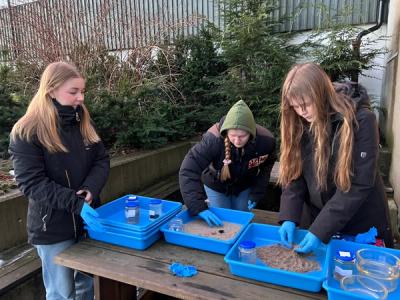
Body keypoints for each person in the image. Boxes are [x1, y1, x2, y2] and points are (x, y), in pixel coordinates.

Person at [9, 61, 110, 300]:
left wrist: (90, 189)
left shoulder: (82, 120)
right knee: (61, 293)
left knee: (87, 285)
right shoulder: (26, 131)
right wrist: (75, 204)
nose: (81, 98)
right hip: (51, 227)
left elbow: (102, 160)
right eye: (73, 92)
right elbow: (31, 183)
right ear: (51, 90)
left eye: (82, 91)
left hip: (87, 222)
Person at [277, 62, 393, 254]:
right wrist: (289, 215)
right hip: (317, 218)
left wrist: (320, 230)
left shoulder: (362, 120)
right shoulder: (301, 121)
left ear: (321, 94)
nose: (301, 111)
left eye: (305, 104)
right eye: (295, 106)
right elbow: (295, 172)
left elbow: (359, 183)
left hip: (360, 223)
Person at [179, 100, 276, 226]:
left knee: (241, 218)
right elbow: (188, 170)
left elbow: (266, 167)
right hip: (215, 183)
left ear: (251, 133)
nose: (237, 140)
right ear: (226, 132)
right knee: (222, 220)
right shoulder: (212, 140)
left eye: (242, 136)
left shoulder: (266, 141)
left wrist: (257, 192)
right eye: (233, 135)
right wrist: (198, 206)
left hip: (244, 184)